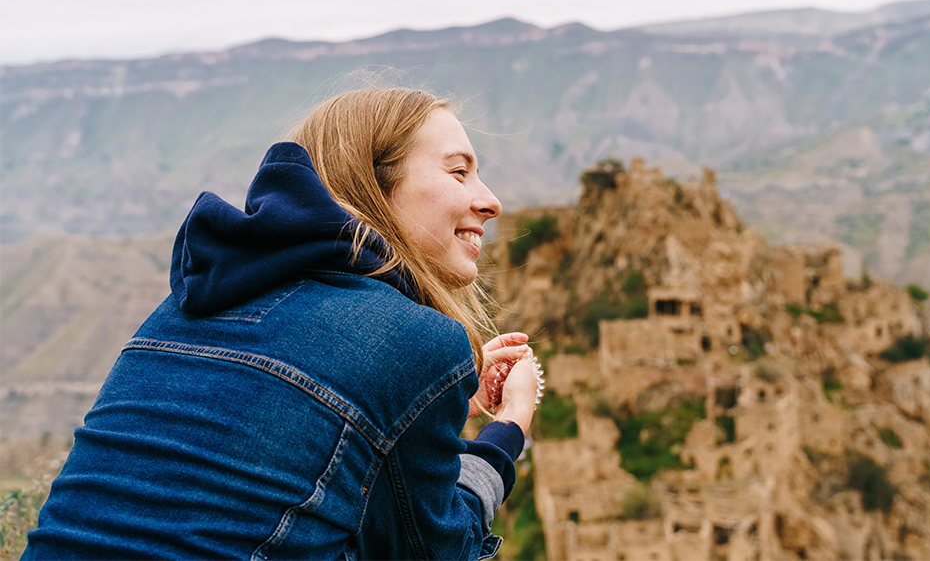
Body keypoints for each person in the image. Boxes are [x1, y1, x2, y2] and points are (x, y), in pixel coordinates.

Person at [22, 88, 541, 560]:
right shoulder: (419, 340)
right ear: (373, 186)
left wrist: (430, 402)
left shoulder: (186, 305)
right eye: (458, 171)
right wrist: (508, 428)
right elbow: (437, 550)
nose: (490, 201)